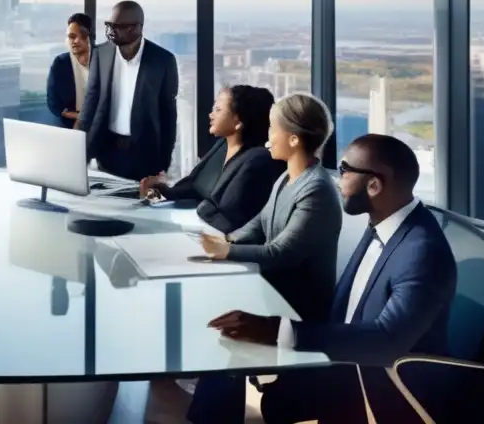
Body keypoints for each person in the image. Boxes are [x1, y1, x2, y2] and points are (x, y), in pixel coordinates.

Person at [196, 134, 457, 423]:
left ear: (374, 185)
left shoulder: (421, 251)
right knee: (230, 353)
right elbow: (346, 310)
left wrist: (280, 332)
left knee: (246, 376)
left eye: (344, 171)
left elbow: (387, 341)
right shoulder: (385, 224)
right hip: (344, 362)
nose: (337, 180)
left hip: (381, 388)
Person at [186, 92, 342, 422]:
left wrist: (226, 251)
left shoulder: (316, 189)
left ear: (294, 138)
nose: (267, 137)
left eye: (272, 129)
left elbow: (282, 252)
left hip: (295, 304)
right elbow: (259, 224)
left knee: (221, 326)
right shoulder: (287, 176)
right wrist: (227, 239)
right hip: (272, 287)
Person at [138, 85, 284, 233]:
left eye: (218, 110)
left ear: (238, 122)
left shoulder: (257, 160)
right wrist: (159, 191)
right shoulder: (222, 145)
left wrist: (198, 210)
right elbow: (192, 186)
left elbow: (229, 218)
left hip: (219, 241)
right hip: (195, 225)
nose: (211, 115)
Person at [75, 1, 178, 180]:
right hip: (106, 150)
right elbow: (91, 100)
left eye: (117, 27)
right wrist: (79, 148)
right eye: (108, 25)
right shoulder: (101, 53)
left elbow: (168, 115)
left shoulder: (163, 61)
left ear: (136, 28)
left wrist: (164, 164)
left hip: (145, 156)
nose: (110, 32)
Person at [46, 13, 93, 127]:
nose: (75, 41)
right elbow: (53, 102)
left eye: (81, 35)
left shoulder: (102, 58)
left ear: (89, 36)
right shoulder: (60, 63)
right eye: (71, 36)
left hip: (99, 125)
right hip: (69, 125)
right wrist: (77, 116)